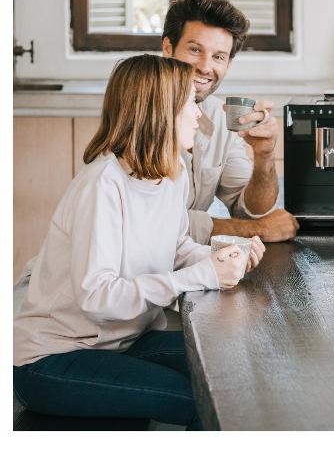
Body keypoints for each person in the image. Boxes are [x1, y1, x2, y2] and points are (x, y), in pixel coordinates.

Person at [13, 55, 266, 428]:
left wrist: (225, 254)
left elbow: (175, 246)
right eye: (188, 105)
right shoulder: (102, 185)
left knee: (232, 368)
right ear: (158, 111)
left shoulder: (172, 172)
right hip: (53, 357)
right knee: (206, 403)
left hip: (124, 342)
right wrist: (203, 275)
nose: (198, 115)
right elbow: (98, 297)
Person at [161, 0, 299, 245]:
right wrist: (255, 230)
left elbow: (249, 210)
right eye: (194, 50)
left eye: (218, 57)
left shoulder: (219, 117)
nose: (205, 66)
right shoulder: (138, 113)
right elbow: (156, 221)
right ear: (168, 48)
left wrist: (264, 156)